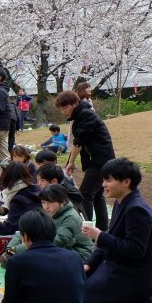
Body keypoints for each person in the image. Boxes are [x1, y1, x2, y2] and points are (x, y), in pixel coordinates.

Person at [82, 158, 152, 303]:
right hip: (115, 266)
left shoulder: (137, 210)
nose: (103, 184)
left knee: (79, 300)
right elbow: (111, 237)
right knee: (75, 283)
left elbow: (135, 250)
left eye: (108, 180)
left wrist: (99, 236)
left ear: (126, 182)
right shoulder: (122, 202)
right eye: (103, 179)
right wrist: (89, 264)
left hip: (131, 279)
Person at [56, 90, 115, 230]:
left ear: (75, 103)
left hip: (100, 160)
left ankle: (85, 230)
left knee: (85, 194)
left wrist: (70, 162)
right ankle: (101, 229)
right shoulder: (82, 114)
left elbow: (79, 142)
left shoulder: (85, 114)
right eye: (61, 109)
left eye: (65, 108)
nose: (64, 112)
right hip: (100, 159)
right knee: (98, 194)